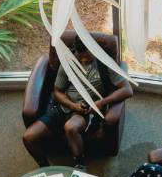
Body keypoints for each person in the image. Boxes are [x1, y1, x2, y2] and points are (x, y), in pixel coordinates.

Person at [23, 37, 133, 170]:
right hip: (64, 107)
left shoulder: (105, 63)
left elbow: (127, 90)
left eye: (87, 57)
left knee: (70, 127)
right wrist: (71, 105)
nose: (83, 61)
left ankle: (80, 165)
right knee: (28, 137)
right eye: (80, 57)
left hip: (88, 111)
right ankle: (46, 168)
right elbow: (58, 91)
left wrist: (101, 103)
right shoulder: (69, 62)